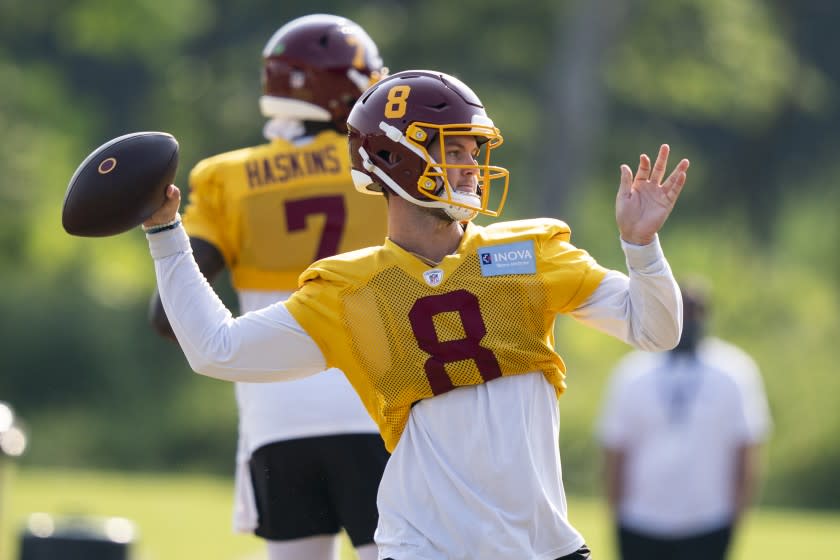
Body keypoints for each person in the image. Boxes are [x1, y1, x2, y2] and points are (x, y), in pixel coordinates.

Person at [143, 68, 690, 559]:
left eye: (475, 150)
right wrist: (166, 233)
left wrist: (641, 247)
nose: (473, 166)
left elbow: (655, 331)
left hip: (541, 546)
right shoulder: (347, 289)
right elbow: (216, 348)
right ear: (396, 156)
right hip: (424, 548)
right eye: (457, 149)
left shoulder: (529, 252)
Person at [147, 14, 390, 560]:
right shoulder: (382, 166)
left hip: (275, 415)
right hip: (379, 408)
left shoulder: (225, 178)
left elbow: (168, 316)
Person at [596, 279, 772, 560]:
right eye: (681, 310)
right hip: (641, 519)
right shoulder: (632, 372)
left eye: (695, 311)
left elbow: (746, 449)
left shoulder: (735, 371)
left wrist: (737, 514)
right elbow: (615, 450)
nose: (688, 320)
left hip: (708, 519)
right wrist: (615, 511)